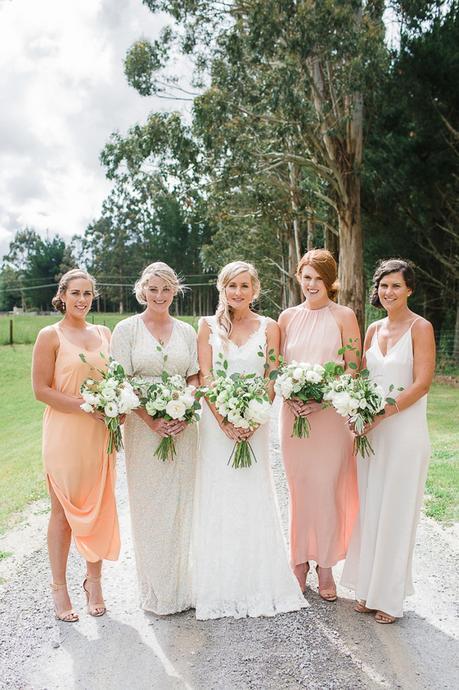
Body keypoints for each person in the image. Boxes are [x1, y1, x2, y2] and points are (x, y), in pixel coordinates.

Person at [192, 260, 307, 620]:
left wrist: (256, 415)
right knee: (219, 492)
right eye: (231, 286)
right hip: (216, 425)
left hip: (255, 423)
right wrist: (225, 420)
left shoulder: (270, 327)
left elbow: (272, 373)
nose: (238, 292)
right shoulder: (207, 326)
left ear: (255, 290)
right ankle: (219, 583)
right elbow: (205, 375)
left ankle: (257, 578)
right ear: (221, 289)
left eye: (244, 286)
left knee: (252, 491)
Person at [341, 258, 435, 623]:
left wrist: (381, 414)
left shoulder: (420, 327)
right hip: (371, 435)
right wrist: (355, 410)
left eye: (396, 285)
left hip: (403, 431)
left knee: (396, 512)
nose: (388, 292)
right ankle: (366, 589)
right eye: (383, 285)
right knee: (371, 510)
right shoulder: (373, 329)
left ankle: (390, 598)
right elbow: (362, 378)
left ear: (409, 289)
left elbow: (422, 383)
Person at [110, 262, 199, 615]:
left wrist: (181, 408)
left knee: (181, 502)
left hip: (183, 429)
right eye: (153, 289)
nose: (159, 295)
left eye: (165, 289)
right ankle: (156, 591)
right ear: (142, 290)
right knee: (150, 506)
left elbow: (194, 376)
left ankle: (182, 587)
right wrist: (151, 420)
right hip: (142, 430)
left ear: (174, 291)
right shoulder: (125, 330)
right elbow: (122, 381)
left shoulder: (187, 332)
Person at [32, 269, 120, 622]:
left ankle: (94, 583)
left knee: (98, 510)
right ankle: (59, 588)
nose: (81, 299)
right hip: (65, 434)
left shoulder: (103, 333)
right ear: (62, 295)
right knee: (63, 515)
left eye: (87, 293)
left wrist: (117, 406)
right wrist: (87, 404)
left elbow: (114, 380)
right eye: (75, 293)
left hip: (100, 435)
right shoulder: (49, 335)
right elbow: (41, 390)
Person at [278, 249, 360, 600]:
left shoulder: (344, 316)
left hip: (330, 417)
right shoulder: (286, 318)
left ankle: (325, 565)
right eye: (306, 277)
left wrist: (322, 397)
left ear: (330, 282)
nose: (312, 284)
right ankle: (299, 562)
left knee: (326, 488)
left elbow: (354, 367)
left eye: (318, 278)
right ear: (299, 278)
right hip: (294, 416)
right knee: (299, 489)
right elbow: (277, 367)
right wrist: (291, 394)